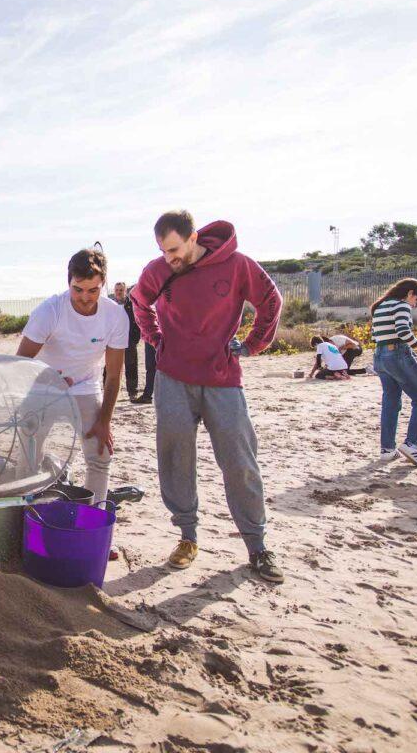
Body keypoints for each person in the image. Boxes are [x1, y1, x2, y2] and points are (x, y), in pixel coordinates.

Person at [130, 210, 284, 583]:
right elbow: (139, 302)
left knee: (239, 461)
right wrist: (156, 339)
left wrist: (251, 345)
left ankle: (257, 545)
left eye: (174, 249)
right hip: (172, 379)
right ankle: (187, 537)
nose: (170, 258)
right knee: (176, 458)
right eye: (164, 251)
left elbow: (271, 302)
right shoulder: (158, 270)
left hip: (222, 379)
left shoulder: (236, 265)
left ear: (194, 237)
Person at [17, 248, 128, 505]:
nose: (85, 298)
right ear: (68, 282)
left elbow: (113, 375)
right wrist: (47, 383)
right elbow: (20, 364)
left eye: (93, 290)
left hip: (85, 386)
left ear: (103, 285)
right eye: (78, 289)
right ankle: (24, 515)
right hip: (43, 385)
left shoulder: (115, 316)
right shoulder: (49, 311)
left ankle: (95, 517)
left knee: (101, 455)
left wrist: (105, 420)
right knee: (28, 456)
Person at [370, 278, 417, 467]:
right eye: (416, 299)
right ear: (410, 294)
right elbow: (403, 331)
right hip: (397, 354)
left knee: (390, 402)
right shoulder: (401, 305)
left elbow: (376, 335)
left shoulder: (381, 305)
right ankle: (411, 444)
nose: (415, 304)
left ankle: (387, 449)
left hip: (380, 355)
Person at [111, 282, 143, 401]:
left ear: (125, 291)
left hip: (129, 339)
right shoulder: (111, 305)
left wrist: (135, 338)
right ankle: (108, 392)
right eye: (117, 290)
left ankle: (132, 392)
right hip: (113, 340)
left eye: (121, 290)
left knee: (131, 366)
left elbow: (138, 321)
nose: (119, 292)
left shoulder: (132, 305)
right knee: (111, 367)